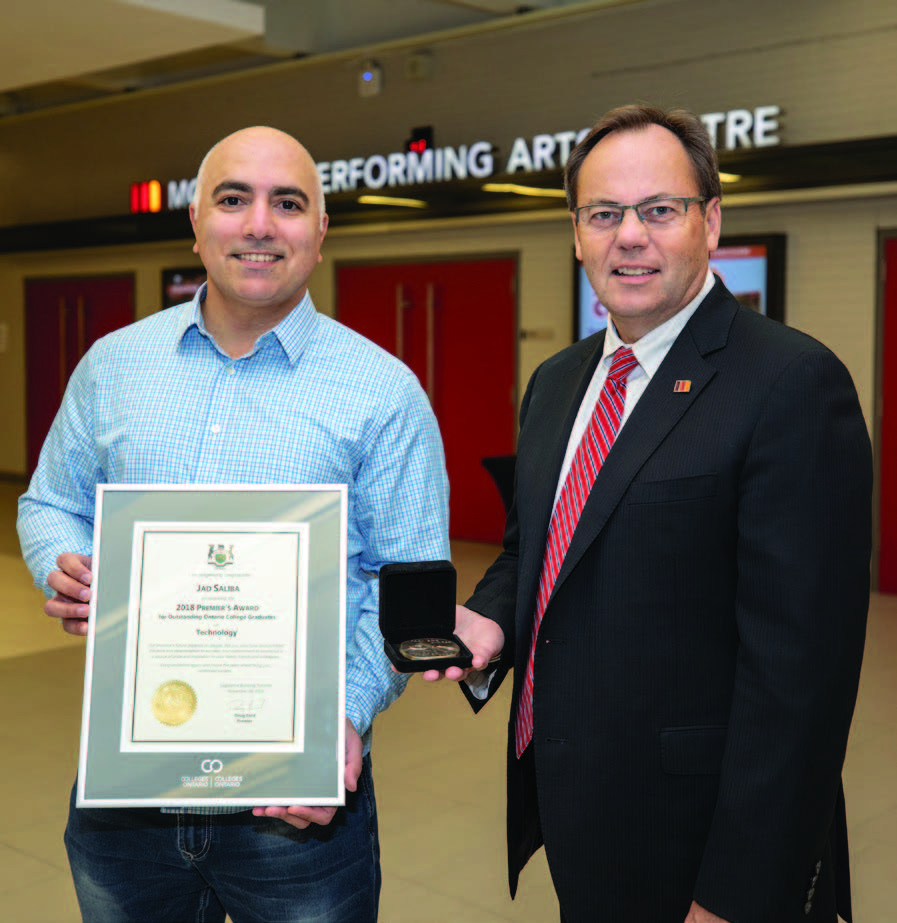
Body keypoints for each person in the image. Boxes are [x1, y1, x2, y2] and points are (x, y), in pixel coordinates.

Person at [427, 105, 872, 923]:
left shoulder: (790, 384)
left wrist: (735, 896)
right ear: (575, 233)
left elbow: (799, 683)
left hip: (702, 843)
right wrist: (489, 618)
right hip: (580, 809)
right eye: (603, 213)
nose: (628, 235)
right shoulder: (556, 382)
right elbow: (537, 547)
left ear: (711, 222)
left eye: (658, 209)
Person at [18, 125, 449, 923]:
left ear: (319, 230)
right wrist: (65, 561)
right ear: (196, 222)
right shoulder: (113, 366)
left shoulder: (382, 392)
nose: (258, 224)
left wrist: (343, 716)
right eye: (232, 199)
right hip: (124, 786)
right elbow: (49, 501)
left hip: (296, 795)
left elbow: (407, 590)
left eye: (287, 203)